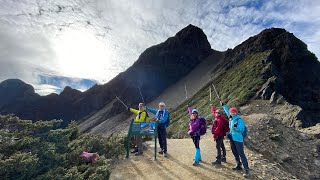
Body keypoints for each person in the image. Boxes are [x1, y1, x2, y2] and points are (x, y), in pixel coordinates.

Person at [222, 102, 250, 178]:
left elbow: (242, 129)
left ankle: (246, 169)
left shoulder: (239, 120)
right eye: (231, 112)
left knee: (241, 154)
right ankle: (238, 165)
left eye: (234, 112)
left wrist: (235, 128)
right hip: (232, 138)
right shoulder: (231, 117)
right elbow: (227, 111)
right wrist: (224, 105)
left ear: (236, 113)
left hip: (238, 139)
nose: (232, 113)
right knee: (234, 152)